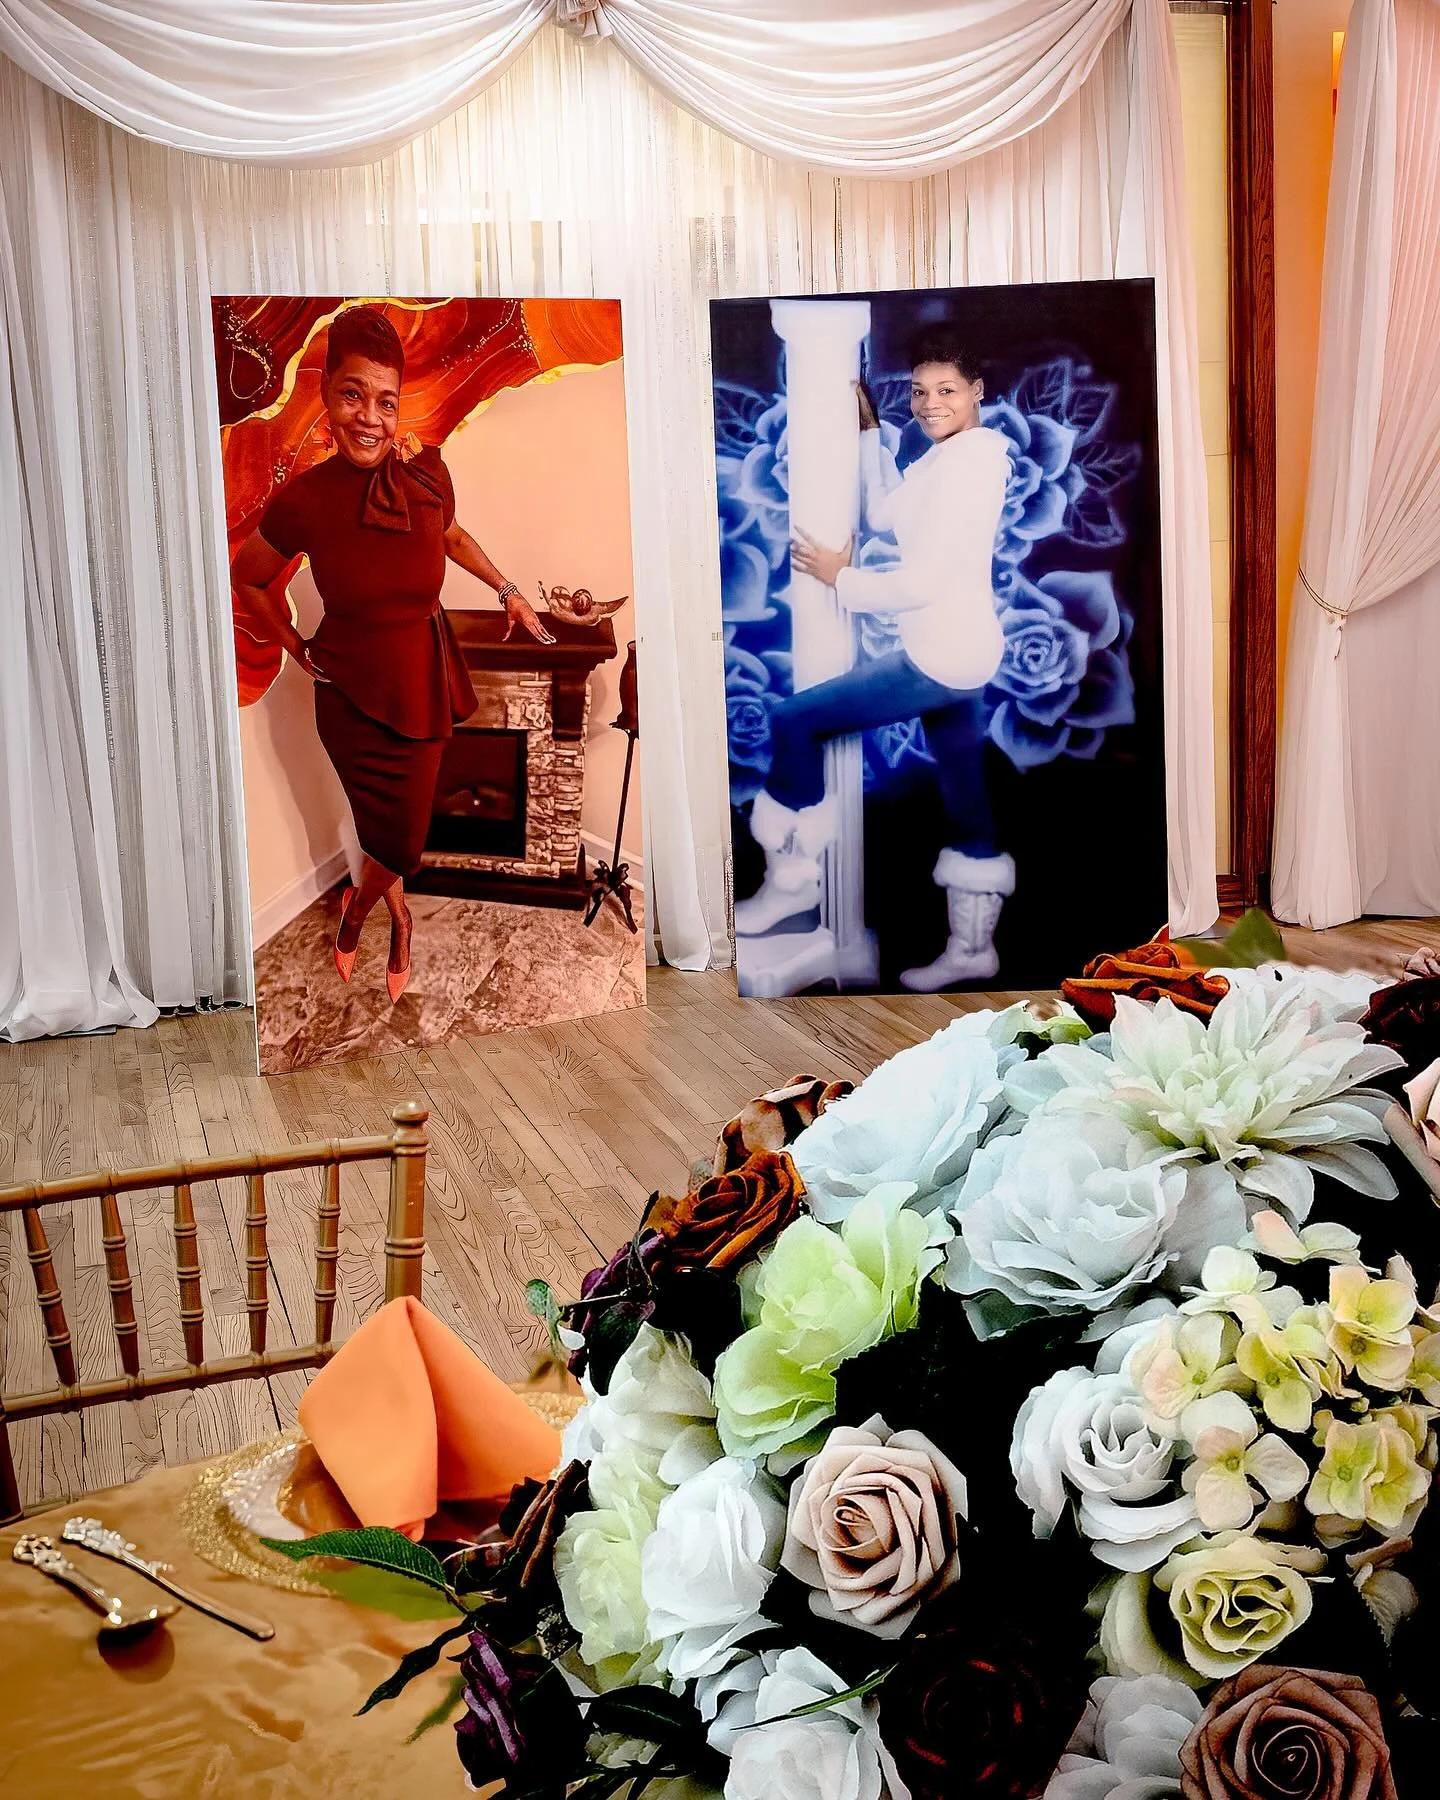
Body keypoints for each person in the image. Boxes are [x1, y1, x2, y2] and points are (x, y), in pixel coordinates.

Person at [230, 304, 555, 1001]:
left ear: (399, 404)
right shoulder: (303, 501)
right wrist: (294, 645)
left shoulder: (428, 473)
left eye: (385, 401)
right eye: (352, 394)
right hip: (348, 698)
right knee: (385, 831)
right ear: (325, 392)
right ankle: (397, 918)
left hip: (420, 683)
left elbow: (452, 536)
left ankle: (361, 910)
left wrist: (507, 590)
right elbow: (249, 577)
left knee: (403, 838)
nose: (370, 418)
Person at [734, 329, 1014, 991]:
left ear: (977, 392)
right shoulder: (947, 458)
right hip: (963, 648)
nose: (930, 403)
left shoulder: (970, 467)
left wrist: (841, 578)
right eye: (919, 391)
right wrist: (870, 435)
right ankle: (973, 950)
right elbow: (888, 515)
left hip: (942, 655)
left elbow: (922, 583)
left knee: (796, 720)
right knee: (965, 795)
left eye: (946, 390)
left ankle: (791, 884)